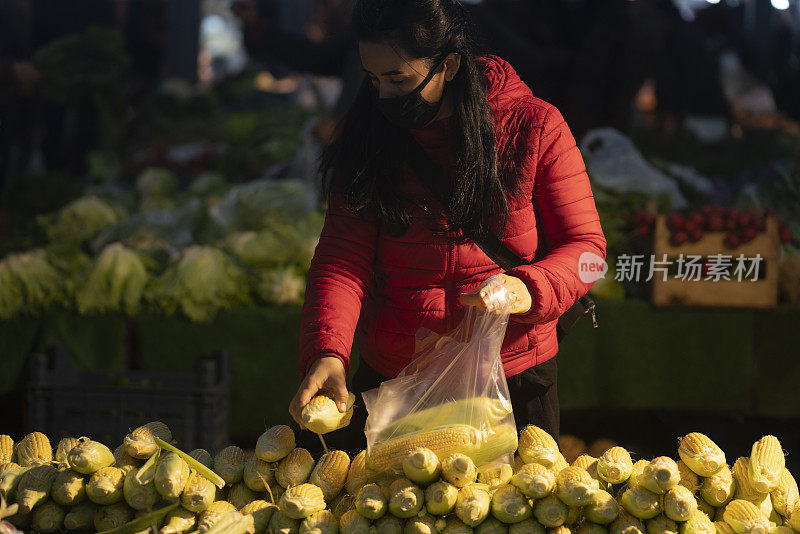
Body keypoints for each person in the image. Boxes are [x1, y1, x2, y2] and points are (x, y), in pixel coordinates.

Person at [288, 0, 606, 456]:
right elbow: (342, 260)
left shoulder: (533, 126)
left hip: (511, 380)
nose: (383, 95)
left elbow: (589, 251)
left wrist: (530, 290)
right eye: (372, 78)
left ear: (450, 64)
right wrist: (328, 351)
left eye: (398, 79)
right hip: (396, 382)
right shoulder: (367, 136)